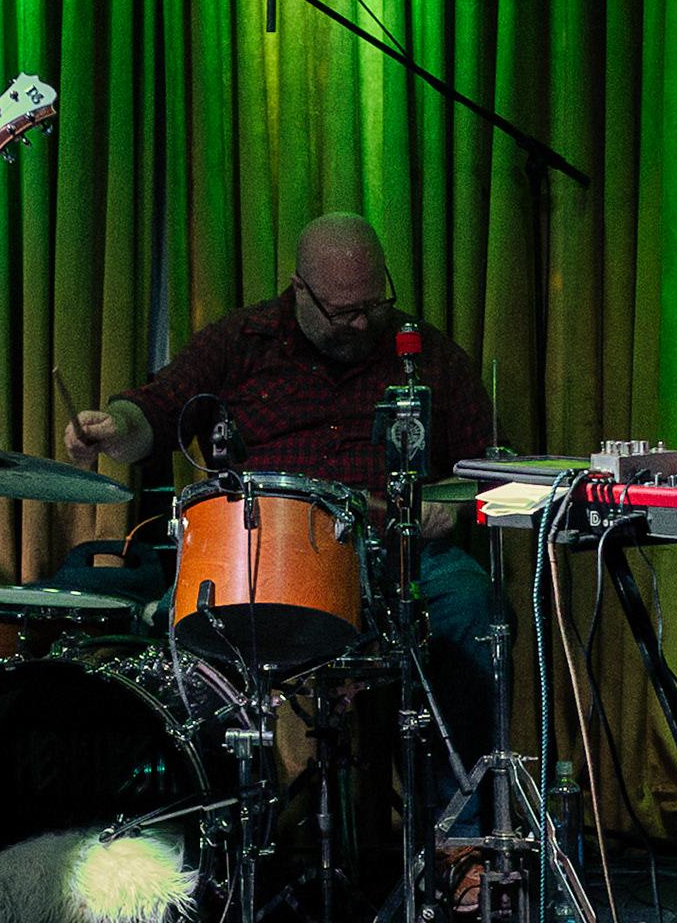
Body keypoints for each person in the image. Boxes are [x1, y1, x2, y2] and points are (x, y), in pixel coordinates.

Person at [65, 212, 499, 899]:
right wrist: (113, 427)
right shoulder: (241, 341)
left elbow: (487, 474)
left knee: (472, 605)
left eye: (373, 305)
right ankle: (211, 845)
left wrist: (453, 502)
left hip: (394, 556)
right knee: (189, 627)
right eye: (343, 312)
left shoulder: (427, 353)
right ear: (300, 290)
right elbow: (158, 409)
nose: (362, 324)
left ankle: (461, 843)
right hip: (263, 553)